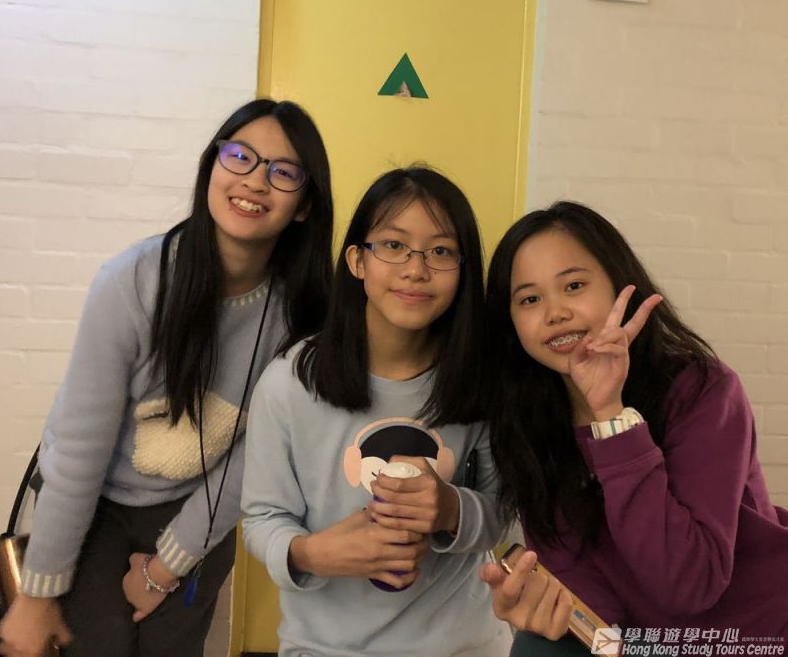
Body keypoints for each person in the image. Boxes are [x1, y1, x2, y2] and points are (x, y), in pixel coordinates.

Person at [0, 99, 334, 657]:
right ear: (212, 166)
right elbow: (80, 450)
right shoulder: (131, 283)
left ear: (304, 206)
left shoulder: (302, 315)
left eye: (283, 171)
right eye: (240, 156)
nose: (255, 180)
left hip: (198, 505)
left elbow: (255, 456)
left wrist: (167, 564)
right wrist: (38, 593)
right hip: (97, 502)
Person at [479, 201, 788, 653]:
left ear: (619, 286)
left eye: (574, 285)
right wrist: (551, 612)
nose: (555, 312)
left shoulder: (701, 390)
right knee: (539, 644)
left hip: (752, 636)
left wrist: (611, 417)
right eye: (530, 299)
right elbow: (595, 608)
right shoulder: (528, 423)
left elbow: (690, 585)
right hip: (646, 642)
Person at [241, 166, 511, 657]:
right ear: (357, 261)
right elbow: (262, 517)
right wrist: (313, 553)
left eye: (441, 251)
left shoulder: (484, 381)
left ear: (464, 270)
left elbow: (505, 515)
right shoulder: (289, 383)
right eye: (393, 245)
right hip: (324, 647)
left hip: (465, 645)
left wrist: (450, 508)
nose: (416, 269)